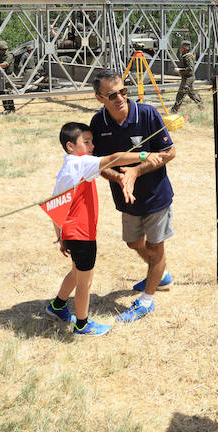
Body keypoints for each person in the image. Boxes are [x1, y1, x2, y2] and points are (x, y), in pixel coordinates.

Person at [45, 122, 164, 337]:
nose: (92, 146)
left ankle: (57, 306)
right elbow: (112, 158)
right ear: (70, 146)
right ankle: (82, 325)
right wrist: (143, 155)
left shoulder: (70, 166)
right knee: (85, 281)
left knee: (76, 273)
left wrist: (60, 236)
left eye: (92, 142)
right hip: (81, 235)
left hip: (72, 233)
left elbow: (55, 203)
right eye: (87, 142)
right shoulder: (80, 164)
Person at [89, 70, 176, 324]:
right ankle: (160, 274)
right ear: (99, 98)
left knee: (155, 247)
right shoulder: (98, 123)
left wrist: (136, 171)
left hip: (156, 195)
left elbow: (169, 152)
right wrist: (118, 178)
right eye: (112, 95)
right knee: (133, 243)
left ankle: (147, 301)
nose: (120, 98)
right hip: (125, 198)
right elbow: (99, 164)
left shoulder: (147, 113)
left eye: (123, 91)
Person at [171, 40, 201, 113]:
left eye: (182, 48)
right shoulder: (185, 56)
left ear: (185, 48)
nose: (180, 49)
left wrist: (180, 70)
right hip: (186, 77)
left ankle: (174, 110)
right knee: (191, 94)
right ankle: (201, 106)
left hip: (188, 78)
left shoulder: (188, 57)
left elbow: (190, 69)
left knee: (181, 93)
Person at [0, 40, 16, 113]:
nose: (3, 51)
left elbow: (5, 64)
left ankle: (11, 108)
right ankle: (6, 108)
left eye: (4, 50)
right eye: (1, 50)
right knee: (1, 92)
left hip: (8, 76)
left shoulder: (10, 55)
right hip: (0, 75)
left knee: (8, 92)